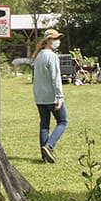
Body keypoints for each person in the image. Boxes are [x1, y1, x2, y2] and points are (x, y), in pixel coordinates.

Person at [32, 28, 68, 164]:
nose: (57, 41)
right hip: (51, 96)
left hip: (39, 96)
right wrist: (60, 97)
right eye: (54, 39)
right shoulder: (51, 56)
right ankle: (49, 146)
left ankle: (45, 157)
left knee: (44, 125)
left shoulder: (38, 56)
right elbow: (56, 78)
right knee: (63, 121)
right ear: (47, 40)